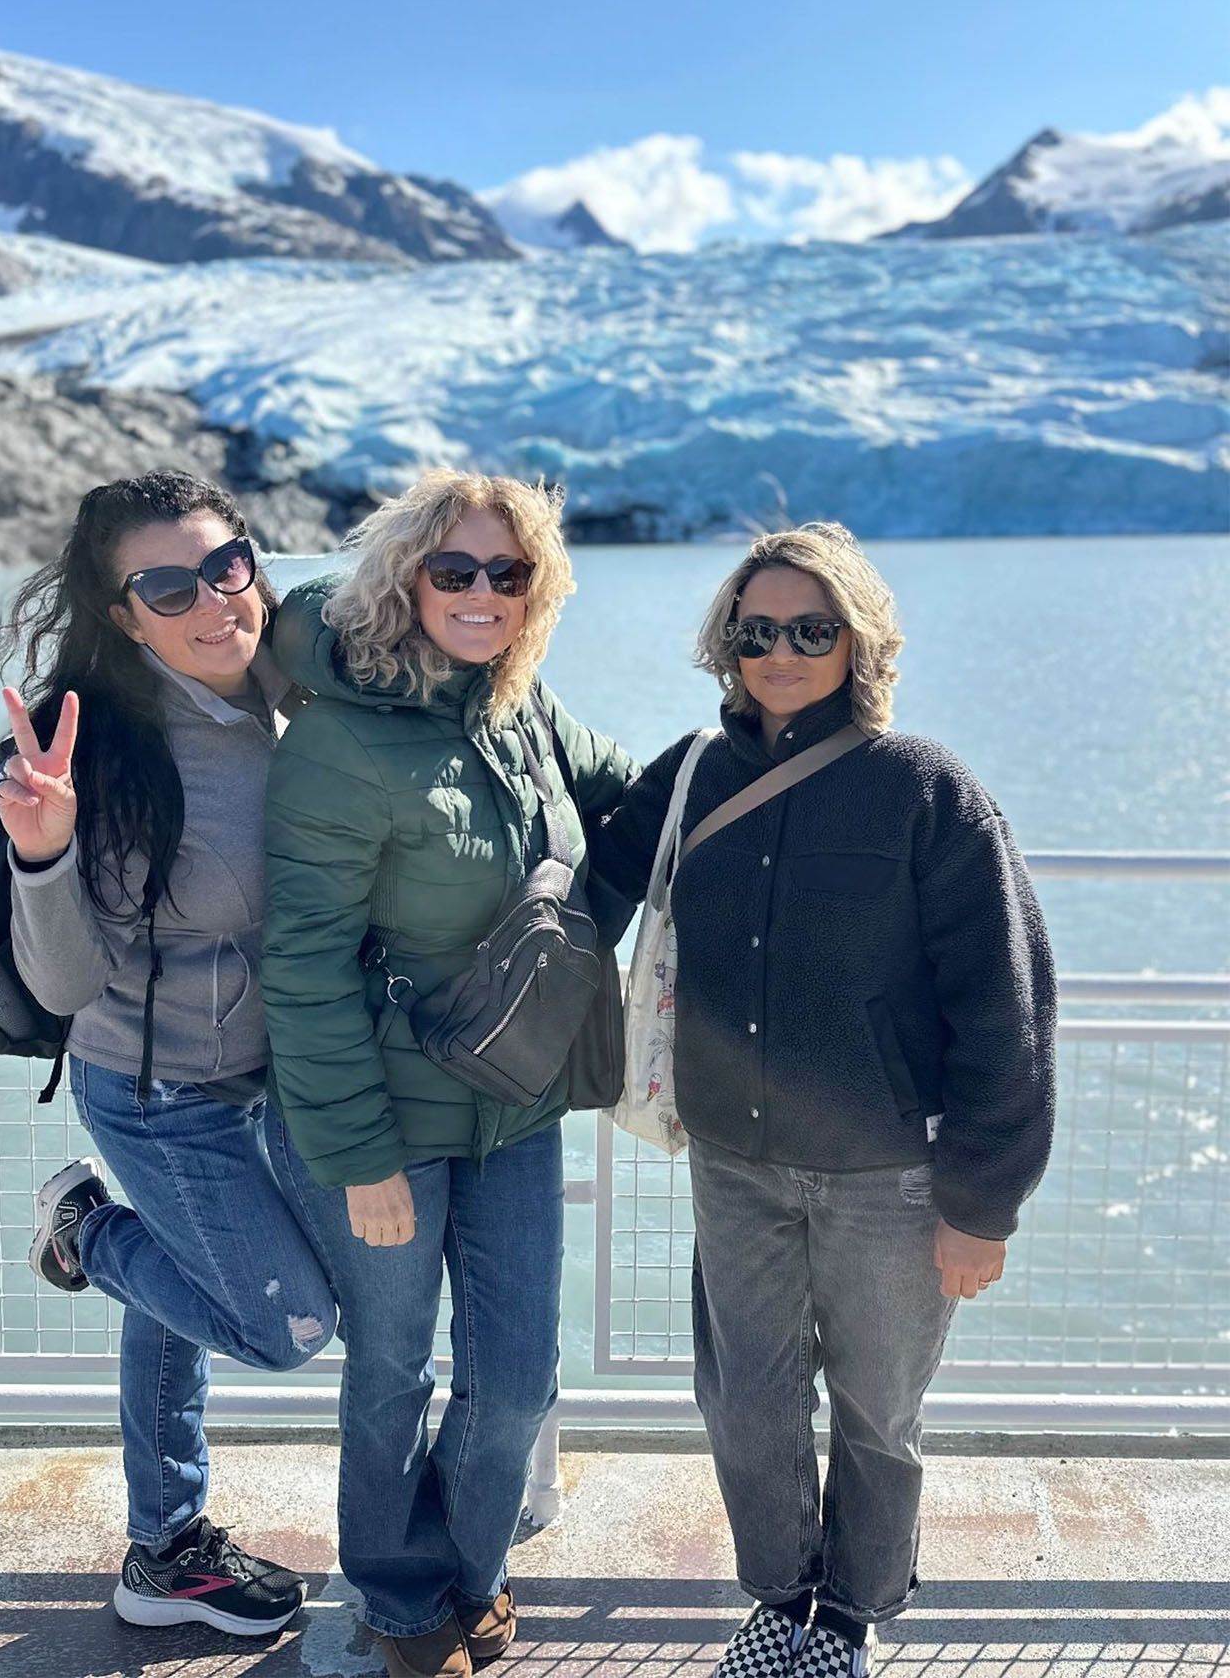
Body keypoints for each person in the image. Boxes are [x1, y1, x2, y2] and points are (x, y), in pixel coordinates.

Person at [596, 522, 1056, 1678]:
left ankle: (850, 1613)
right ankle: (781, 1594)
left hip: (892, 1177)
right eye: (759, 631)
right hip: (734, 1163)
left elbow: (1005, 1008)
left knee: (876, 1416)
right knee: (745, 1404)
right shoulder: (694, 773)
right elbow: (585, 878)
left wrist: (982, 1206)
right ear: (728, 646)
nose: (784, 651)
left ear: (858, 642)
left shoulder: (925, 792)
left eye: (813, 629)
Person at [259, 469, 637, 1678]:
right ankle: (399, 1591)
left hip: (515, 1102)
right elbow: (304, 966)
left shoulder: (516, 703)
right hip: (388, 1118)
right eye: (456, 570)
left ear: (539, 591)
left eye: (509, 573)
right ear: (406, 577)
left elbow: (626, 804)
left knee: (518, 1375)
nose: (483, 594)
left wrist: (782, 757)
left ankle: (473, 1565)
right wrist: (360, 1159)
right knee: (389, 1373)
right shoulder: (337, 739)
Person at [0, 471, 337, 1639]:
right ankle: (89, 1230)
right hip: (155, 1089)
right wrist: (43, 850)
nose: (211, 600)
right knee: (285, 1329)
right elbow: (64, 983)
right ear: (123, 609)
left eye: (226, 563)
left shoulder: (295, 694)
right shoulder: (119, 750)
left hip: (264, 1075)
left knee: (184, 1303)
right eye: (167, 584)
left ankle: (164, 1550)